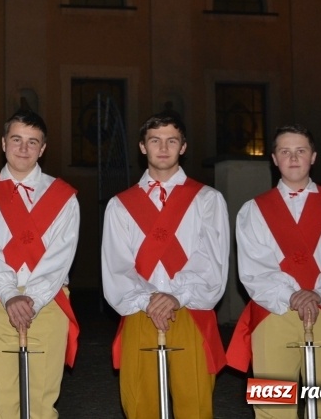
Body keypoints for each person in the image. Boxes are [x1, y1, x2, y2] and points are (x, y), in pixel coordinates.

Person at [226, 124, 321, 419]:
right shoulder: (253, 210)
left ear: (313, 157)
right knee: (272, 404)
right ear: (274, 159)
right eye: (285, 151)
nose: (293, 158)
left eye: (301, 151)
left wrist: (319, 293)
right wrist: (293, 295)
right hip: (272, 312)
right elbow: (254, 267)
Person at [101, 112, 229, 419]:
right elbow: (116, 265)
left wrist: (175, 295)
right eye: (155, 140)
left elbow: (212, 260)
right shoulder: (120, 205)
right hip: (138, 311)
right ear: (142, 147)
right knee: (140, 403)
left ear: (183, 147)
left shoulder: (207, 200)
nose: (163, 147)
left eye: (172, 141)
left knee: (194, 405)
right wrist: (149, 300)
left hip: (192, 310)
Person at [0, 109, 80, 419]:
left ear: (43, 148)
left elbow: (60, 256)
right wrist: (9, 293)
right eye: (16, 140)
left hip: (48, 300)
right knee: (3, 403)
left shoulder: (64, 197)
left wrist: (33, 298)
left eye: (33, 142)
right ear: (3, 143)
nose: (24, 149)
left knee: (42, 403)